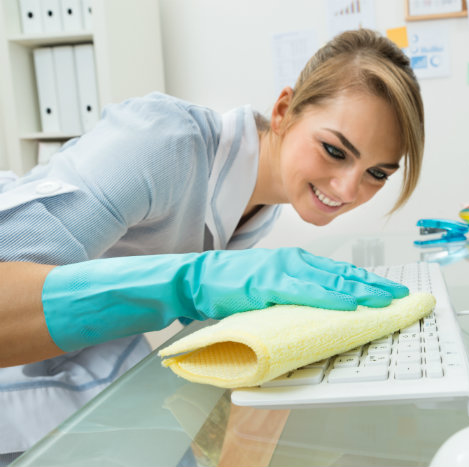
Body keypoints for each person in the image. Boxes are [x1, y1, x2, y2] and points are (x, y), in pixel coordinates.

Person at [0, 28, 424, 461]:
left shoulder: (259, 208)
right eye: (335, 150)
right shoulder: (162, 142)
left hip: (91, 390)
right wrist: (187, 283)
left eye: (377, 174)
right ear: (283, 111)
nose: (349, 189)